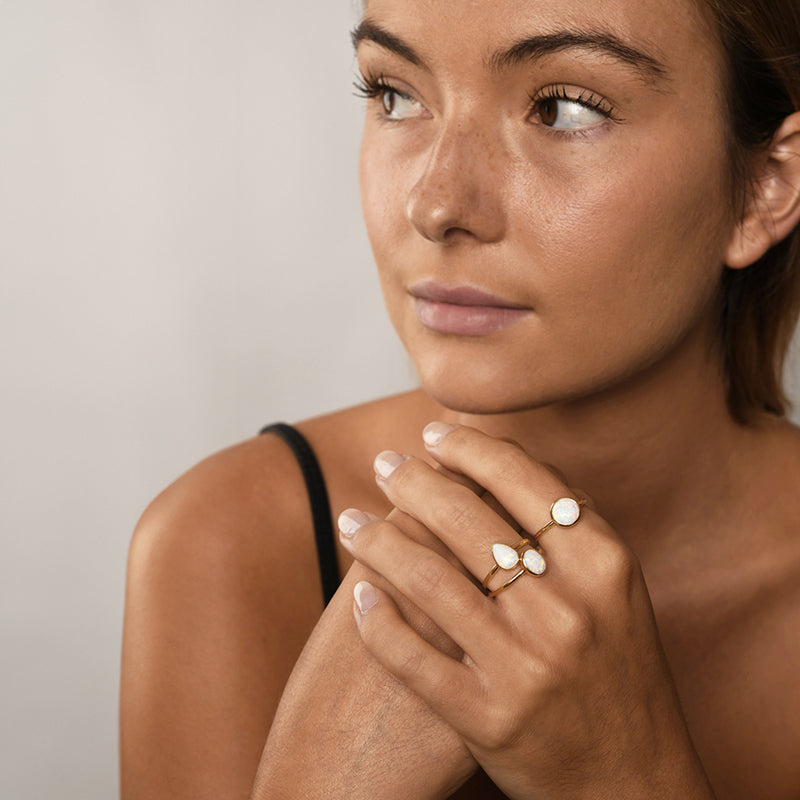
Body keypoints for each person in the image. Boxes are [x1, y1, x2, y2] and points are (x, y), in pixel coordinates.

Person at [120, 0, 800, 797]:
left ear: (768, 185)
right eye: (395, 94)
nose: (436, 204)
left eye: (563, 109)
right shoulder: (231, 543)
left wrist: (624, 773)